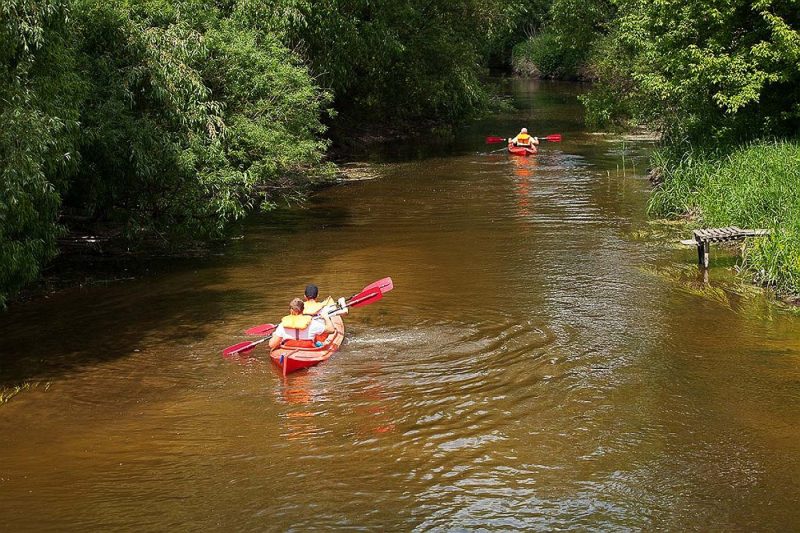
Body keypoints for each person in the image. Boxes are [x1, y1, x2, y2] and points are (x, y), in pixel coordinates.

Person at [269, 297, 338, 350]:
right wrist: (326, 317)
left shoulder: (282, 325)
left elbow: (272, 345)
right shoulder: (312, 323)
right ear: (303, 310)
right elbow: (331, 330)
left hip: (288, 349)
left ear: (291, 310)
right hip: (308, 350)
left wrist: (274, 335)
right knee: (320, 343)